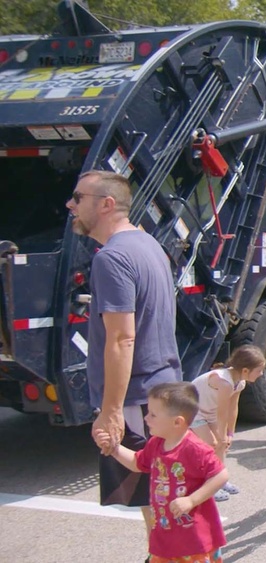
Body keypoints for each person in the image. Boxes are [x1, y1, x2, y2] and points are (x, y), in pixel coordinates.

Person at [67, 170, 182, 530]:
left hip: (138, 399)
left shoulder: (111, 258)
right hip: (162, 388)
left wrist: (112, 411)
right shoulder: (149, 245)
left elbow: (122, 339)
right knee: (160, 500)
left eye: (77, 197)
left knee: (158, 505)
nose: (70, 205)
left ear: (106, 204)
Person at [96, 382, 227, 563]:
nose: (146, 418)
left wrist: (191, 500)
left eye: (153, 415)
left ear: (177, 422)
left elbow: (220, 475)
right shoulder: (156, 443)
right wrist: (114, 448)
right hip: (164, 533)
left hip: (193, 538)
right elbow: (137, 463)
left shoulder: (195, 448)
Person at [190, 345, 266, 502]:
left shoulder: (240, 383)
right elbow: (222, 413)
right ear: (245, 370)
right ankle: (208, 485)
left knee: (221, 446)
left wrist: (230, 434)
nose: (261, 374)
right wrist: (221, 435)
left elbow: (233, 409)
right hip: (193, 411)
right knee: (212, 444)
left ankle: (219, 479)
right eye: (258, 370)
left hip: (208, 412)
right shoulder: (224, 382)